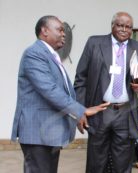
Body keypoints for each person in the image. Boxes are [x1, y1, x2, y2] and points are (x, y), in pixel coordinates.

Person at [11, 15, 109, 173]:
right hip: (37, 132)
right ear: (45, 31)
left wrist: (76, 114)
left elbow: (62, 92)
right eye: (60, 30)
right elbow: (49, 89)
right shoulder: (34, 53)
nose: (64, 34)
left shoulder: (51, 55)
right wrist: (80, 110)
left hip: (49, 132)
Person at [74, 12, 138, 173]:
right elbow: (81, 79)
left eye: (128, 27)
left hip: (126, 113)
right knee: (96, 162)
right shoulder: (94, 43)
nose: (124, 29)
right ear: (112, 26)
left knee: (122, 164)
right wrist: (80, 110)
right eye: (120, 25)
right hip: (100, 111)